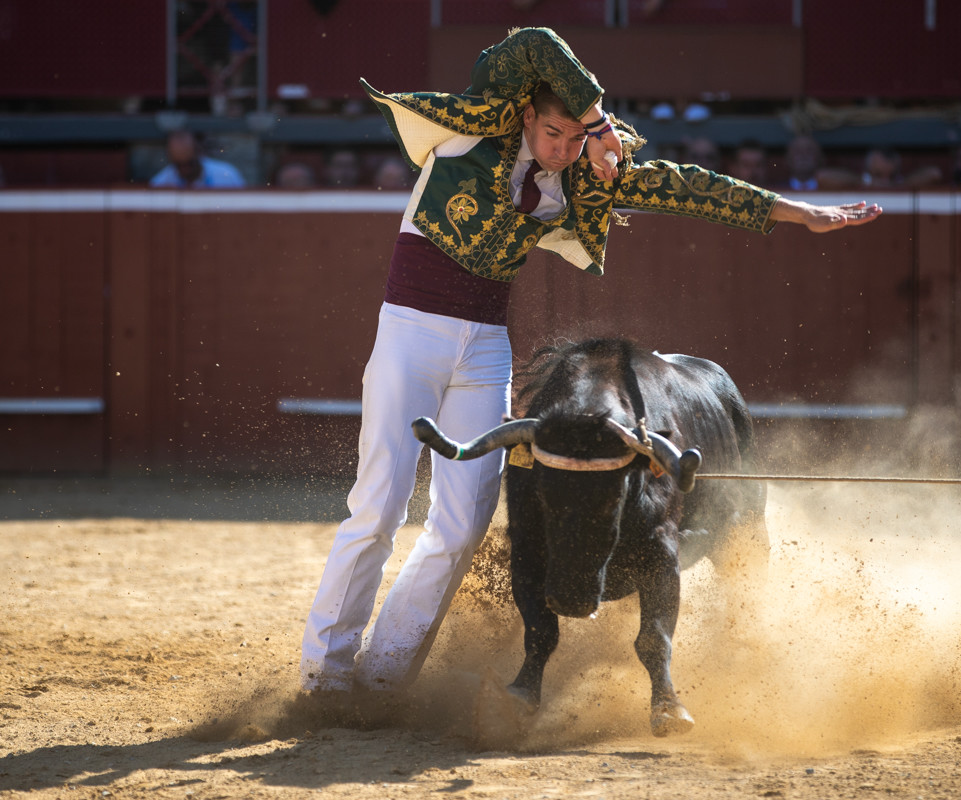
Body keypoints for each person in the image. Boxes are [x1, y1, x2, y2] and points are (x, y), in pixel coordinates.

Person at [299, 26, 882, 697]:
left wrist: (798, 213)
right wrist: (600, 120)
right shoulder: (474, 131)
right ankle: (325, 673)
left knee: (462, 526)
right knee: (378, 506)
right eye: (555, 133)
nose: (565, 148)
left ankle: (382, 676)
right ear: (527, 116)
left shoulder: (580, 178)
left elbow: (685, 188)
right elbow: (536, 44)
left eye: (576, 138)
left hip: (486, 346)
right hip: (410, 332)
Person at [150, 130, 246, 188]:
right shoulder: (161, 183)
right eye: (179, 165)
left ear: (199, 153)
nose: (185, 169)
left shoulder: (227, 175)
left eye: (189, 163)